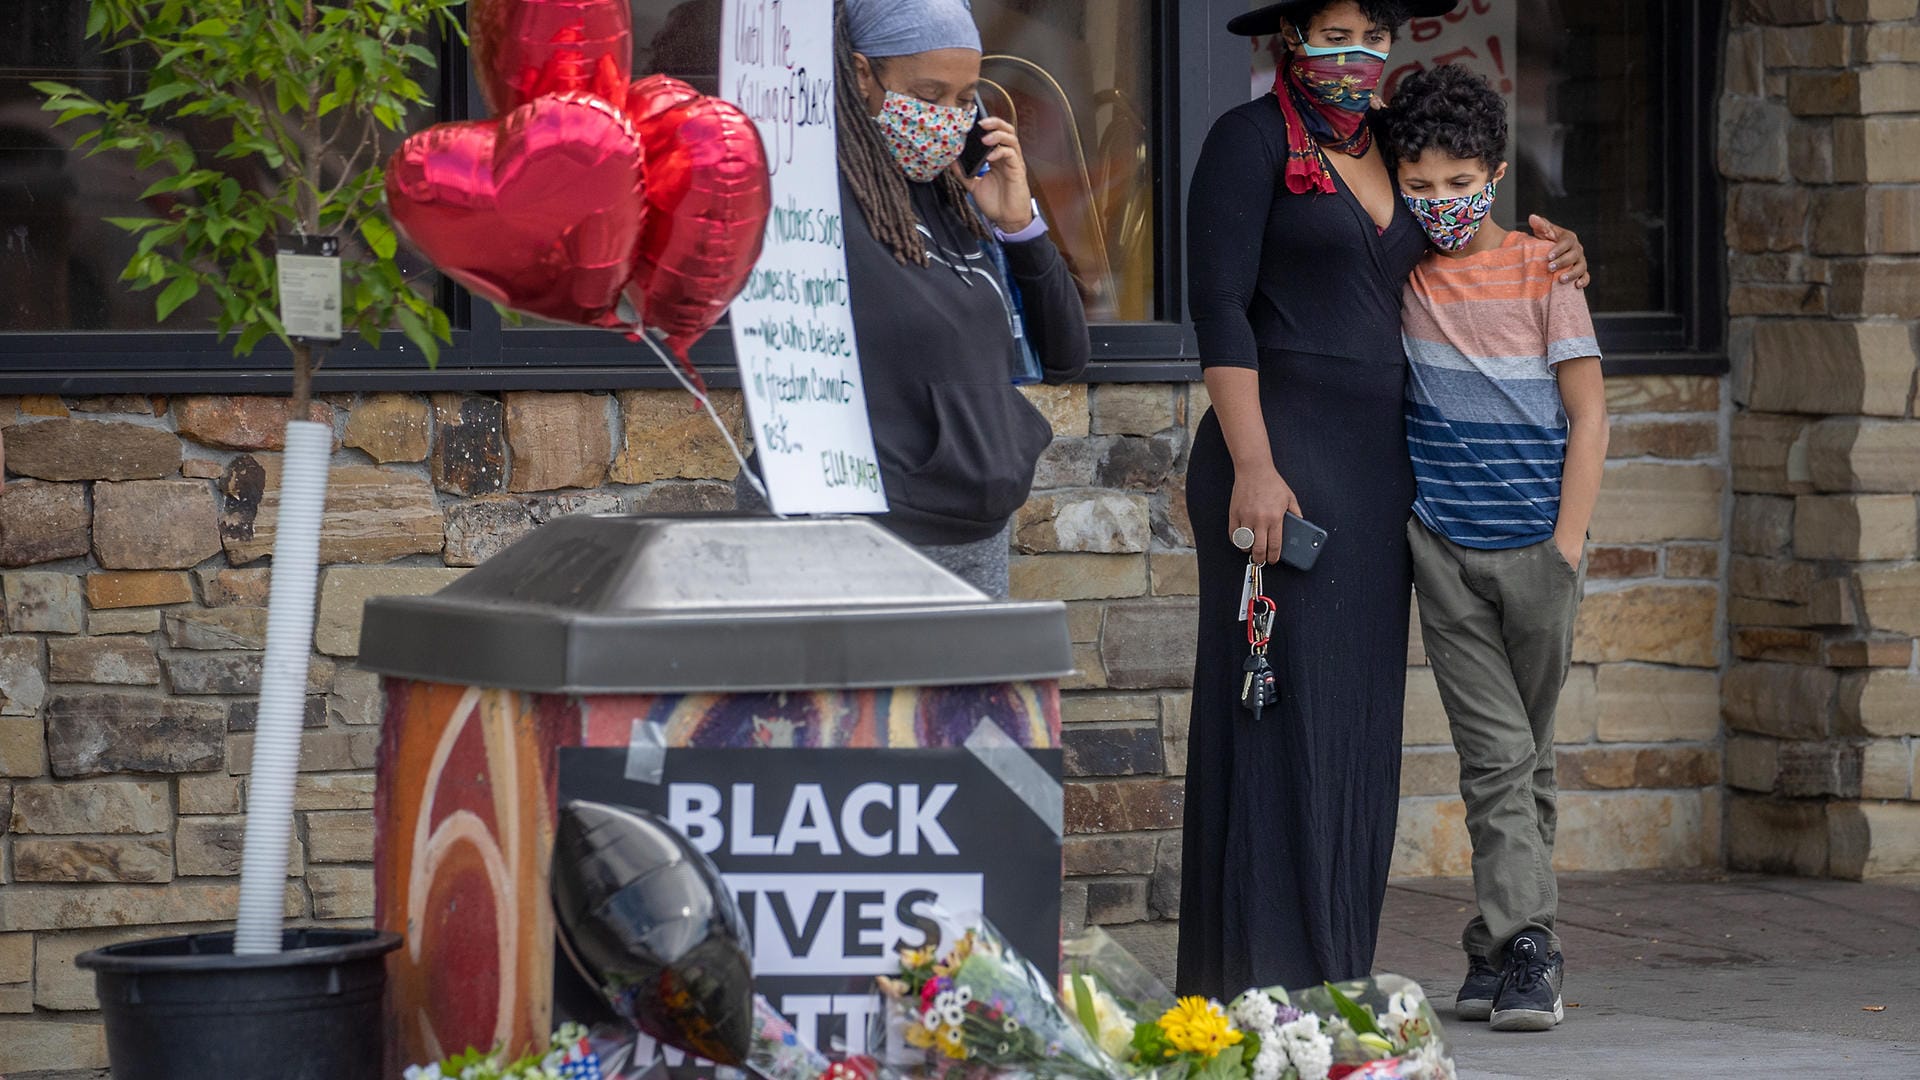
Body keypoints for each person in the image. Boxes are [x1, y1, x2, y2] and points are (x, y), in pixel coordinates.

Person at [1177, 0, 1592, 999]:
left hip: (1380, 469)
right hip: (1274, 457)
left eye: (1370, 33)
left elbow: (1468, 239)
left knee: (1356, 724)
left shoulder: (1396, 146)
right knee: (1277, 718)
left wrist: (1558, 249)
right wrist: (1255, 465)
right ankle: (1256, 977)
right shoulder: (1248, 142)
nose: (1353, 54)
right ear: (1290, 39)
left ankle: (1332, 970)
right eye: (1331, 33)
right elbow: (1218, 307)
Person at [1380, 64, 1607, 1032]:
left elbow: (1589, 413)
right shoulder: (1398, 276)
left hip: (1538, 555)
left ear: (1498, 172)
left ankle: (1498, 948)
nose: (1440, 203)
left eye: (1457, 182)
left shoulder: (1544, 268)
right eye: (1419, 186)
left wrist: (1565, 545)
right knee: (1500, 756)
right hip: (1447, 553)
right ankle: (1531, 952)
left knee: (1528, 757)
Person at [736, 0, 1091, 598]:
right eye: (928, 96)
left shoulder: (959, 202)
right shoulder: (815, 196)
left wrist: (1019, 226)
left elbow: (1066, 356)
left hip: (971, 533)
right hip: (853, 531)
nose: (947, 118)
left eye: (964, 99)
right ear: (861, 75)